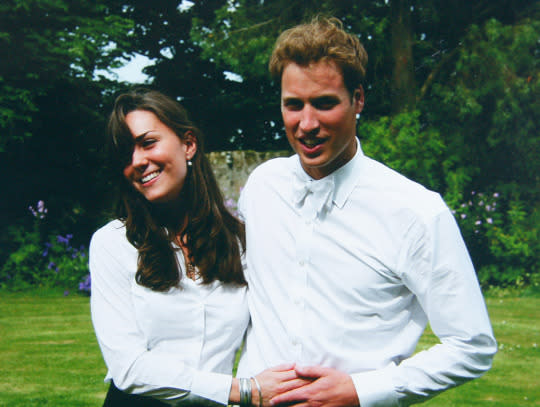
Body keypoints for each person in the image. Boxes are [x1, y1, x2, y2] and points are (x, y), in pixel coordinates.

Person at [236, 17, 497, 407]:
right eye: (294, 105)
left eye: (325, 103)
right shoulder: (261, 186)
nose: (307, 124)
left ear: (358, 99)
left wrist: (361, 391)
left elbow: (472, 345)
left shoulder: (416, 212)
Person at [89, 89, 306, 406]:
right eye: (125, 154)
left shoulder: (240, 243)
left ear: (188, 144)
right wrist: (243, 391)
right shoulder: (113, 243)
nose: (137, 161)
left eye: (148, 143)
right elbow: (129, 368)